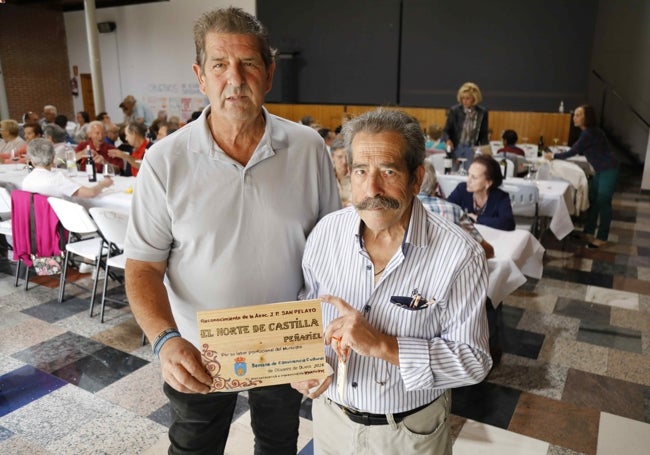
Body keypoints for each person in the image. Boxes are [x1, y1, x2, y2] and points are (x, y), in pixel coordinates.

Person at [123, 7, 340, 455]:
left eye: (249, 64)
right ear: (201, 76)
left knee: (279, 444)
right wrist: (165, 341)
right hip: (197, 349)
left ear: (269, 73)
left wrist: (327, 336)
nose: (235, 79)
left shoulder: (307, 148)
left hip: (287, 345)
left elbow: (331, 254)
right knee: (193, 446)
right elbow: (143, 266)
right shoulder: (165, 160)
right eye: (220, 65)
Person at [292, 109, 491, 454]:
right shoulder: (325, 234)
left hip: (408, 432)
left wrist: (384, 346)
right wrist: (305, 363)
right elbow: (306, 309)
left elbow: (474, 360)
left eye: (388, 171)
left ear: (416, 178)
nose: (372, 189)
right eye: (360, 171)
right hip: (331, 420)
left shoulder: (460, 255)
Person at [546, 104, 619, 248]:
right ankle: (589, 232)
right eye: (575, 114)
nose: (575, 117)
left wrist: (553, 155)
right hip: (600, 170)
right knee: (592, 199)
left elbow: (573, 152)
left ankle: (602, 237)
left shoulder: (590, 133)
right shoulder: (589, 132)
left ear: (587, 117)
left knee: (603, 202)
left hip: (609, 169)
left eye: (578, 115)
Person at [22, 138, 113, 198]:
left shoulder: (26, 180)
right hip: (61, 223)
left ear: (32, 161)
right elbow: (90, 193)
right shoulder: (57, 179)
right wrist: (103, 184)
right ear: (53, 158)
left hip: (39, 223)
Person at [447, 154, 515, 230]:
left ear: (488, 183)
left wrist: (477, 218)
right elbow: (446, 209)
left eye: (474, 177)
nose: (468, 181)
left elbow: (508, 223)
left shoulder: (501, 197)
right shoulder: (462, 189)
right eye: (468, 175)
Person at [444, 81, 489, 170]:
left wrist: (485, 151)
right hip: (457, 147)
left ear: (474, 98)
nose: (464, 101)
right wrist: (448, 140)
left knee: (470, 172)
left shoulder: (482, 112)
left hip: (472, 148)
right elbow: (446, 130)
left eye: (467, 98)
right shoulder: (455, 111)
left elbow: (484, 134)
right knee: (453, 172)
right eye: (462, 98)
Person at [329, 137, 351, 207]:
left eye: (347, 156)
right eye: (339, 157)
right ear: (332, 157)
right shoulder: (326, 177)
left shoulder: (356, 176)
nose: (344, 161)